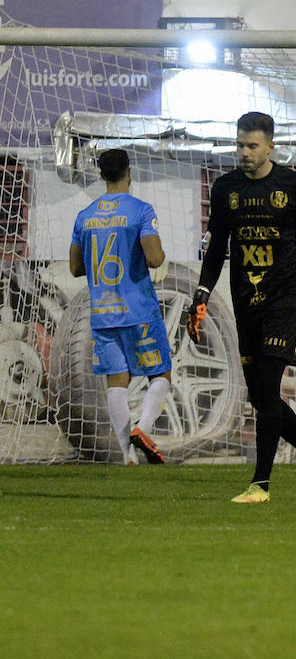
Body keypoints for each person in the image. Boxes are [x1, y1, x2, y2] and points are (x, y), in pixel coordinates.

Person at [187, 112, 296, 504]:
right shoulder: (226, 188)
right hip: (246, 300)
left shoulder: (293, 185)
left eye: (252, 146)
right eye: (240, 145)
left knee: (270, 386)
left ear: (270, 146)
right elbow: (217, 247)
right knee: (261, 398)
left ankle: (261, 485)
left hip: (285, 300)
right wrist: (201, 295)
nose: (244, 152)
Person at [69, 148, 171, 466]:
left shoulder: (84, 216)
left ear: (101, 175)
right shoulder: (140, 211)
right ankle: (142, 430)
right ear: (130, 172)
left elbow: (75, 268)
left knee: (117, 380)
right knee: (161, 373)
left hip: (102, 312)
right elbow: (155, 259)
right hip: (138, 309)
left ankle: (126, 455)